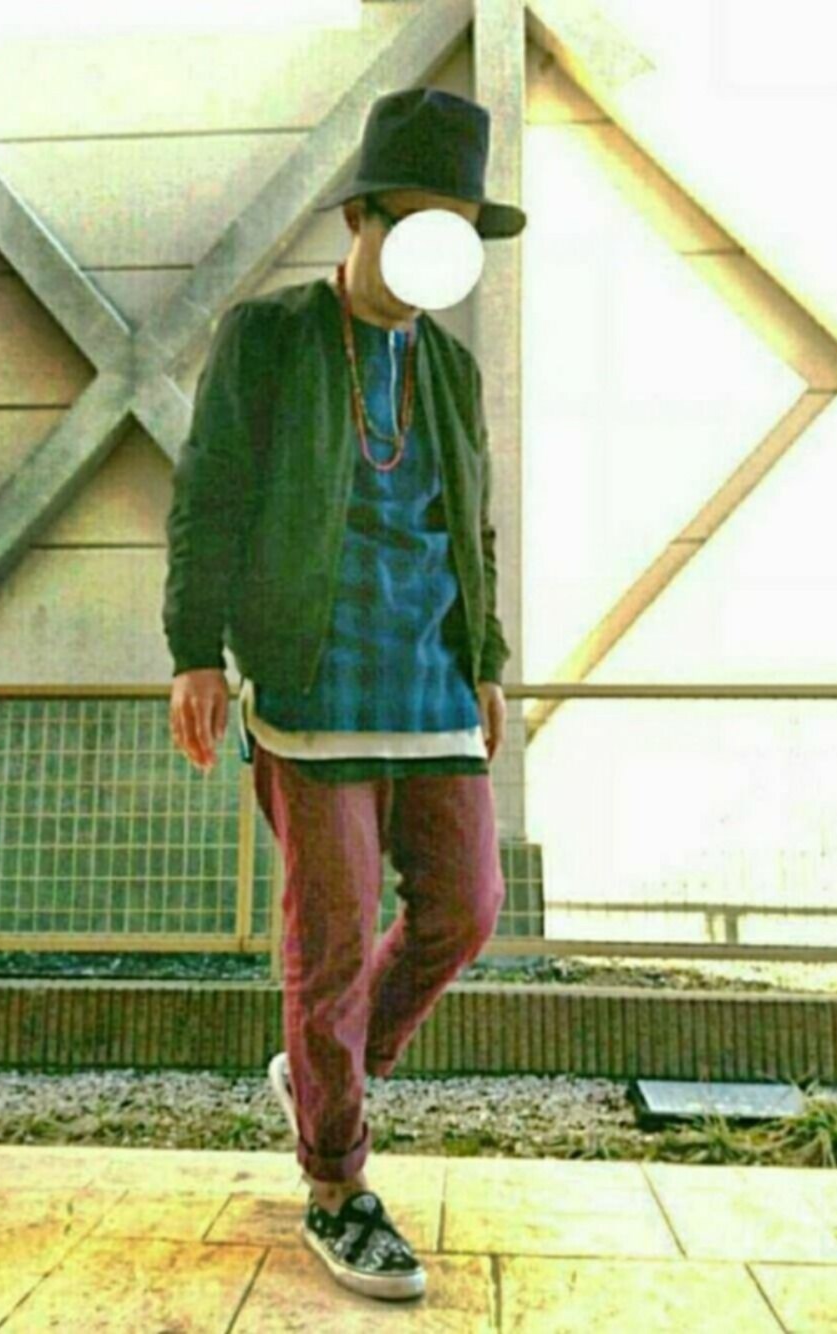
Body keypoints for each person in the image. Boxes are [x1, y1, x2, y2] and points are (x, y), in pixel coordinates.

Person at [164, 87, 526, 1301]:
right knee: (329, 935)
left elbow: (472, 524)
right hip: (314, 683)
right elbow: (211, 494)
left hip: (432, 683)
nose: (432, 248)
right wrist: (195, 648)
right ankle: (335, 1180)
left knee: (466, 905)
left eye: (454, 229)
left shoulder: (451, 369)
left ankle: (327, 1068)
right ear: (360, 219)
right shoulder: (270, 336)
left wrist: (485, 657)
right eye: (414, 221)